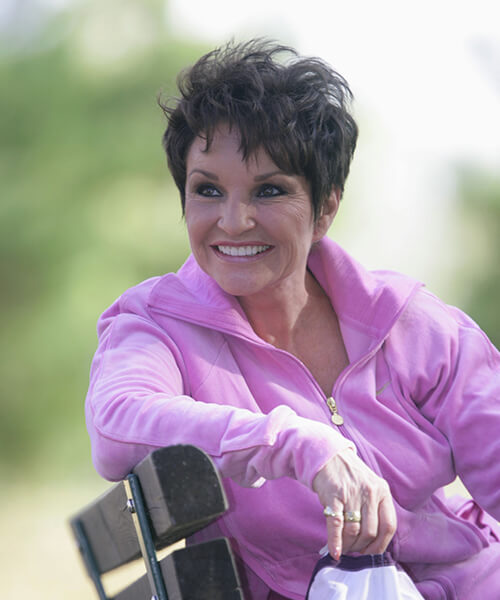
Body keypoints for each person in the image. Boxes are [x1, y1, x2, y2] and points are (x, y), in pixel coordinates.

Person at [85, 39, 500, 600]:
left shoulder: (412, 325)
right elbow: (118, 422)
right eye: (207, 189)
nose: (233, 222)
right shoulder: (155, 325)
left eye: (270, 190)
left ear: (325, 207)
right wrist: (297, 443)